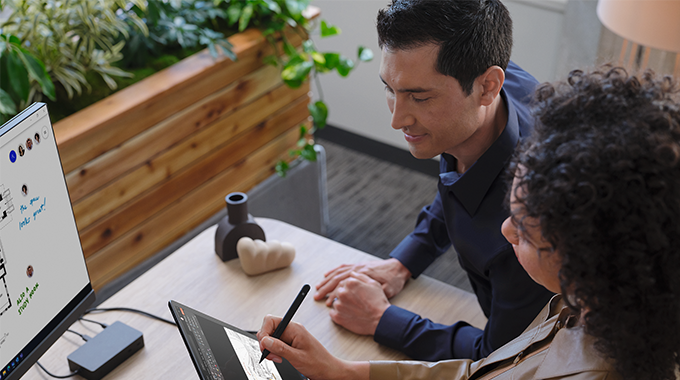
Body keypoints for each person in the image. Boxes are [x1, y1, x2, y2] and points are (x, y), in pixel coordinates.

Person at [258, 66, 680, 380]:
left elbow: (495, 353)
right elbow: (489, 372)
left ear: (594, 259)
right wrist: (344, 371)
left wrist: (382, 323)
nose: (504, 230)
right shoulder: (587, 303)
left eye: (526, 230)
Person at [313, 0, 553, 361]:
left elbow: (506, 355)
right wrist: (403, 263)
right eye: (390, 89)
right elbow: (460, 182)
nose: (397, 119)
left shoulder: (526, 227)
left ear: (488, 86)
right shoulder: (496, 83)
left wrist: (381, 319)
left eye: (419, 97)